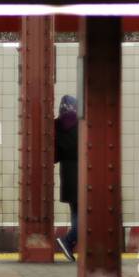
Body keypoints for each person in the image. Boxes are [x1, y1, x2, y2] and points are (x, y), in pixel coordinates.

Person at [55, 94, 80, 261]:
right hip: (82, 174)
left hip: (67, 175)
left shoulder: (56, 126)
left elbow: (54, 157)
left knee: (76, 213)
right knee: (86, 216)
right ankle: (68, 240)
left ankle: (69, 245)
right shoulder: (81, 124)